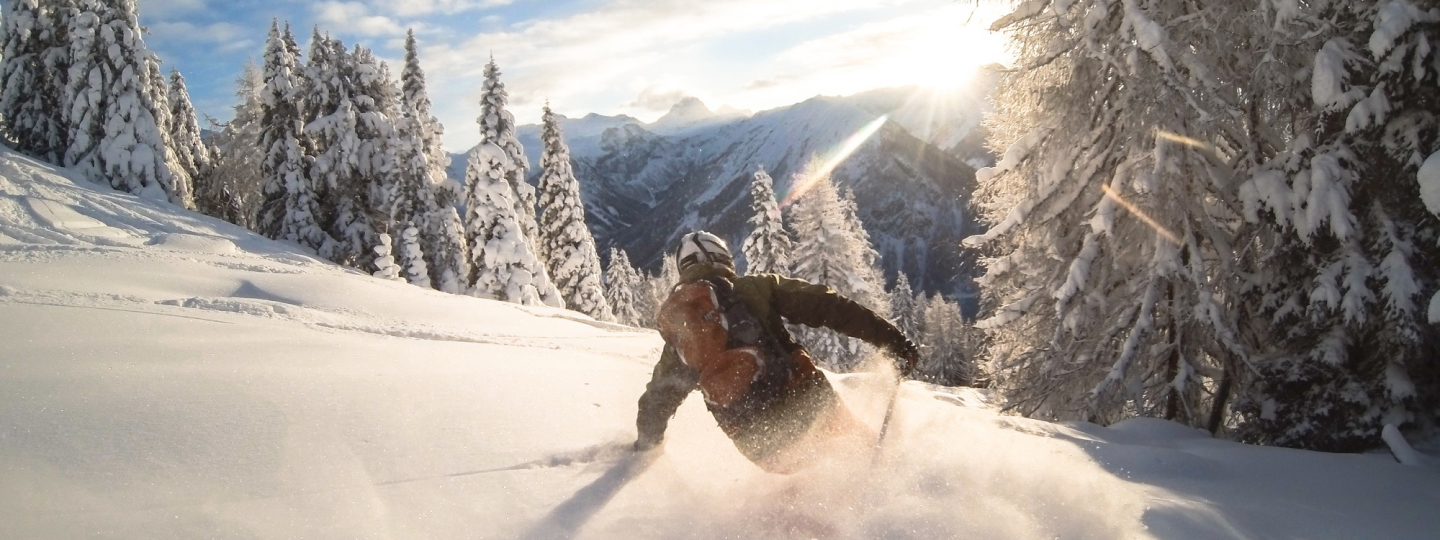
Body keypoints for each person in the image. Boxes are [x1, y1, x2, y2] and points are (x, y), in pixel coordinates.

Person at [633, 231, 920, 473]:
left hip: (758, 447)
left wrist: (645, 444)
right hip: (809, 409)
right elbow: (829, 307)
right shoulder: (756, 289)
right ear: (723, 259)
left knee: (808, 472)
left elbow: (657, 399)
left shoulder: (682, 337)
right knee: (871, 461)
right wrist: (890, 340)